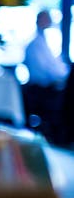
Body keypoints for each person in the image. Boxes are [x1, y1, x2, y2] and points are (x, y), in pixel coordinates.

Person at [22, 9, 69, 141]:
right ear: (39, 21)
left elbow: (53, 67)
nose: (49, 22)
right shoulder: (35, 44)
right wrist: (61, 78)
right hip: (40, 90)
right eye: (46, 19)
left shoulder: (44, 41)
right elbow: (45, 71)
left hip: (45, 88)